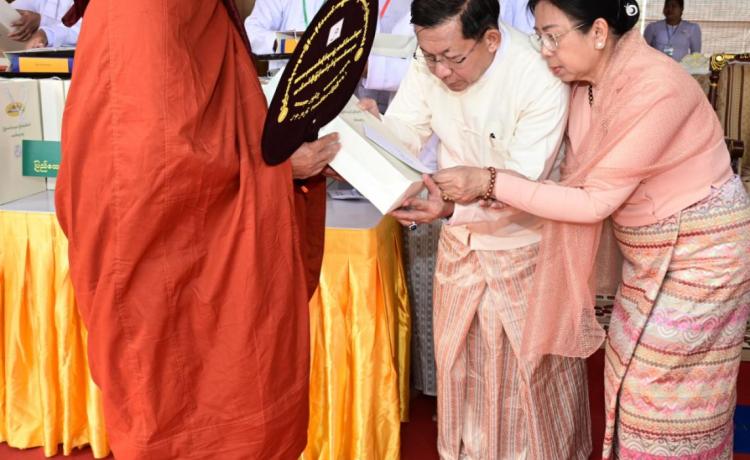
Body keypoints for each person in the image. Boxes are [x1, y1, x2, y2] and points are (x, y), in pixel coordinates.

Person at [433, 0, 750, 458]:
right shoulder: (583, 88)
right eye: (539, 36)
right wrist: (455, 200)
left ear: (599, 32)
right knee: (625, 375)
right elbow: (558, 178)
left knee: (662, 396)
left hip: (705, 253)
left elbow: (593, 201)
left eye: (553, 36)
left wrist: (489, 181)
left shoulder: (657, 86)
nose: (544, 49)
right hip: (648, 250)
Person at [55, 0, 339, 458]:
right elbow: (154, 170)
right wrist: (280, 168)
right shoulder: (148, 12)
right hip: (156, 261)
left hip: (181, 251)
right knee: (177, 403)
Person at [361, 0, 592, 457]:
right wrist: (371, 133)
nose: (441, 71)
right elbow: (405, 131)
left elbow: (523, 187)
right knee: (458, 369)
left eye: (453, 58)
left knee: (529, 379)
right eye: (430, 57)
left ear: (491, 38)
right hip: (460, 245)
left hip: (526, 249)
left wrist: (450, 207)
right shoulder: (430, 63)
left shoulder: (538, 76)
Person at [9, 0, 81, 48]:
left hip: (74, 60)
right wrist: (16, 14)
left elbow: (82, 29)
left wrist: (46, 33)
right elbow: (19, 6)